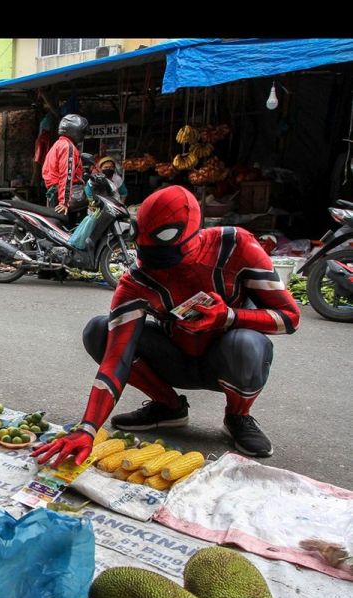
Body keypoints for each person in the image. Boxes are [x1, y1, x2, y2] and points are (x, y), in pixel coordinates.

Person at [32, 186, 300, 465]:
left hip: (226, 360)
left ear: (193, 238)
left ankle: (238, 416)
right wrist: (86, 429)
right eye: (153, 264)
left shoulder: (236, 246)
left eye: (169, 261)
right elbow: (116, 359)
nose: (163, 272)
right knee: (99, 331)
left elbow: (289, 318)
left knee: (245, 343)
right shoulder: (138, 279)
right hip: (174, 357)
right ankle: (168, 407)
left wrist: (229, 317)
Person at [42, 114, 88, 215]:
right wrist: (64, 202)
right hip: (61, 195)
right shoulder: (68, 147)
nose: (83, 136)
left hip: (54, 192)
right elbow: (67, 175)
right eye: (82, 132)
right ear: (75, 130)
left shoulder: (58, 144)